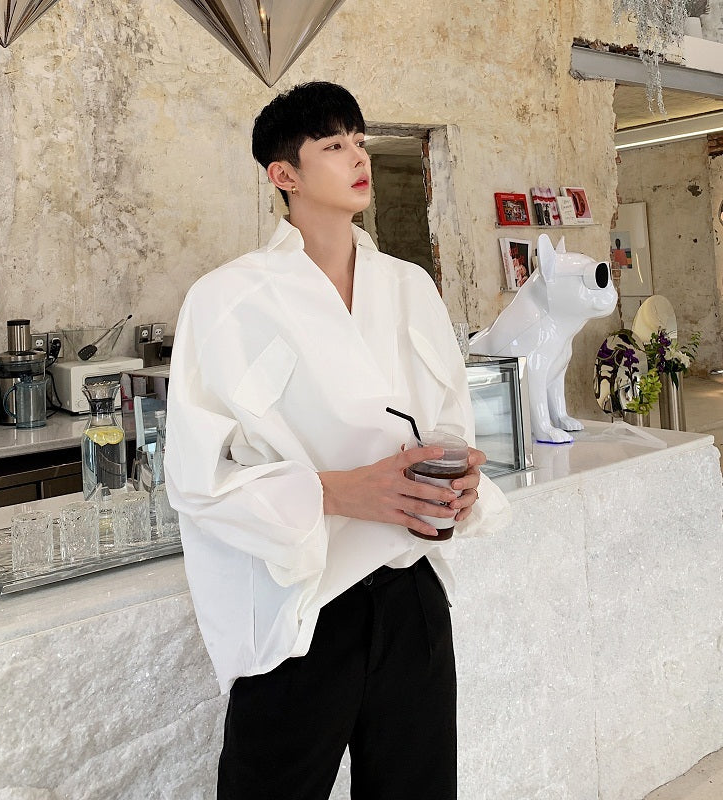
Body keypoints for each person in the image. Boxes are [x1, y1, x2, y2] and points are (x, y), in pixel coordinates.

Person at [164, 81, 510, 800]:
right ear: (283, 174)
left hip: (412, 589)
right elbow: (196, 479)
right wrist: (335, 492)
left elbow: (450, 420)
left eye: (359, 140)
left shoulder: (410, 285)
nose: (358, 156)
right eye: (332, 145)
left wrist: (461, 477)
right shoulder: (226, 300)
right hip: (304, 602)